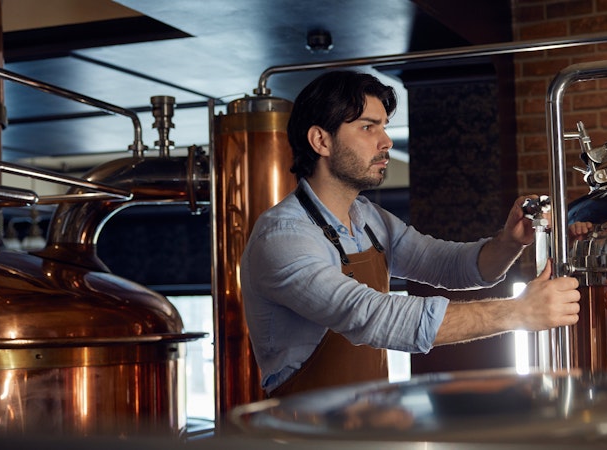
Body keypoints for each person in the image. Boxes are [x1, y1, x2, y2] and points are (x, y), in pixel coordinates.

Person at [240, 70, 581, 398]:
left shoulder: (369, 219)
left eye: (384, 126)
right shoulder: (283, 237)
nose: (386, 141)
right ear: (321, 140)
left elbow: (449, 265)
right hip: (304, 434)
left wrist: (509, 242)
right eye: (368, 127)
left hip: (363, 426)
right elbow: (372, 317)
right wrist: (519, 312)